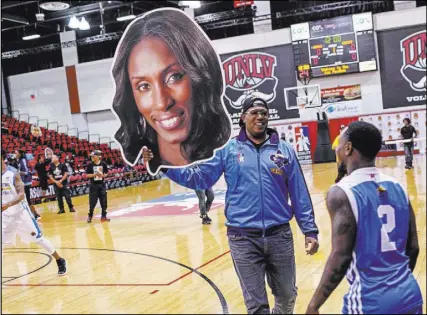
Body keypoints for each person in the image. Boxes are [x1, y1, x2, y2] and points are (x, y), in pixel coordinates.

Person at [143, 97, 319, 314]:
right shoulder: (227, 150)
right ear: (243, 117)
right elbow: (200, 178)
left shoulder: (284, 150)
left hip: (279, 235)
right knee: (256, 305)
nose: (260, 117)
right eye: (254, 112)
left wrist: (309, 230)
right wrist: (163, 164)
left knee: (287, 294)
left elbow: (299, 192)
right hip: (242, 238)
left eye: (264, 112)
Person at [306, 121, 422, 314]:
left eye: (340, 144)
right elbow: (413, 247)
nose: (337, 149)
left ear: (348, 148)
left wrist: (313, 305)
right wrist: (397, 284)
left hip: (369, 301)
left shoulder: (341, 192)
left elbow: (341, 258)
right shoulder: (398, 186)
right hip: (409, 295)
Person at [111, 8, 231, 174]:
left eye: (174, 77)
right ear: (131, 98)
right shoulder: (142, 160)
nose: (162, 103)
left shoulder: (227, 154)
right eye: (144, 86)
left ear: (202, 76)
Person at [1, 154, 67, 275]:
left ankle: (59, 260)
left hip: (20, 213)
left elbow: (21, 195)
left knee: (39, 239)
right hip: (5, 215)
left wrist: (7, 204)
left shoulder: (13, 173)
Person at [14, 150, 41, 220]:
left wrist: (16, 172)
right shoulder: (18, 161)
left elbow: (26, 172)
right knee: (23, 199)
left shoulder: (22, 160)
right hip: (22, 182)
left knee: (27, 199)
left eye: (16, 153)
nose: (14, 154)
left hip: (25, 182)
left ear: (19, 154)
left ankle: (35, 214)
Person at [86, 150, 110, 223]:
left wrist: (103, 175)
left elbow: (106, 173)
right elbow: (87, 175)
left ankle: (103, 216)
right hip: (93, 185)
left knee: (104, 201)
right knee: (92, 202)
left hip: (101, 184)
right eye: (92, 156)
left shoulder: (103, 164)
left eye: (93, 156)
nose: (92, 157)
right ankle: (90, 216)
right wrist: (95, 175)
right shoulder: (90, 165)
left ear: (98, 156)